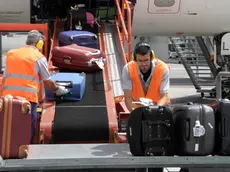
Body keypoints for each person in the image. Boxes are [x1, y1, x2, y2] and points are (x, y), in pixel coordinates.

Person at [1, 30, 69, 144]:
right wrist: (58, 89)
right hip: (27, 100)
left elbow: (5, 77)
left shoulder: (11, 53)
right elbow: (47, 82)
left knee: (8, 129)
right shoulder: (38, 57)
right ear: (39, 43)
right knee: (26, 131)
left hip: (7, 99)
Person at [122, 42, 170, 112]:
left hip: (159, 107)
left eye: (146, 60)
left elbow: (164, 96)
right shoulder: (128, 69)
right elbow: (128, 97)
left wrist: (155, 111)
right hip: (138, 109)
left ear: (151, 57)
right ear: (135, 59)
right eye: (140, 61)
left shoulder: (162, 68)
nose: (144, 64)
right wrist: (136, 115)